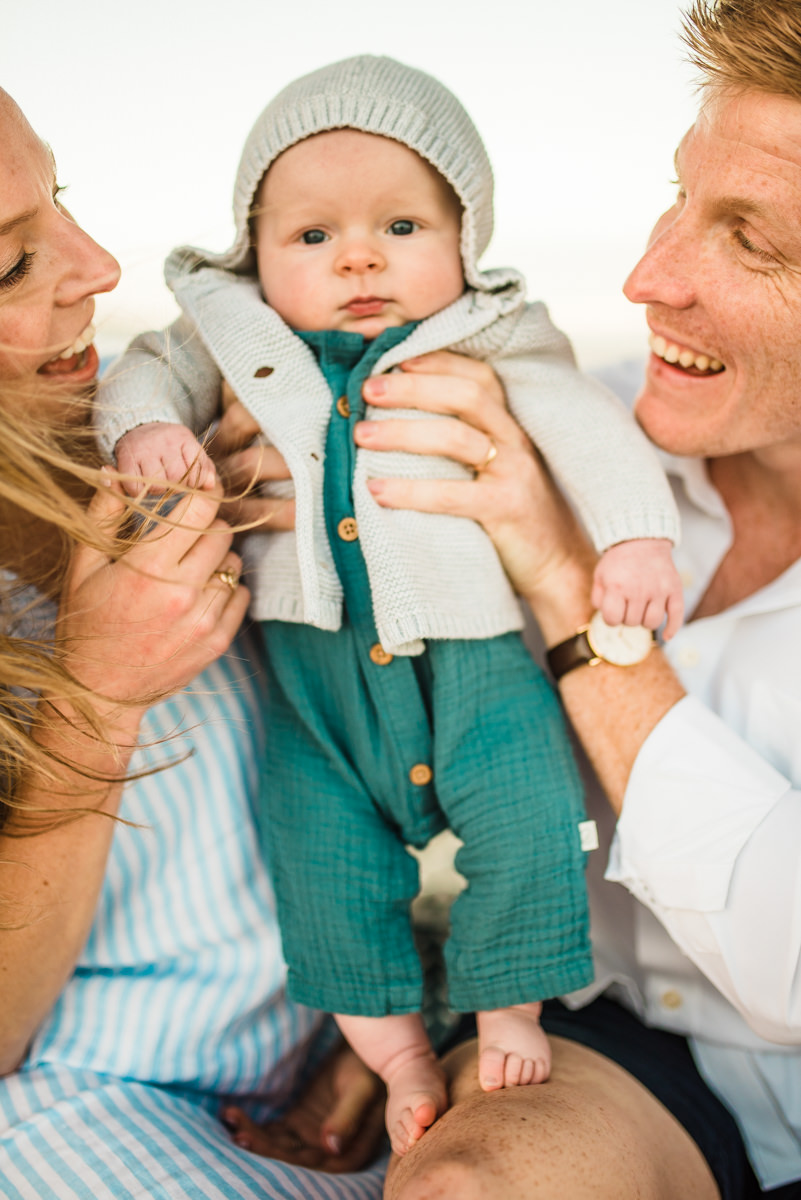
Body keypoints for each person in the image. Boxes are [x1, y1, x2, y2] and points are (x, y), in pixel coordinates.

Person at [95, 56, 683, 1154]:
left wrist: (635, 533)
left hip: (475, 663)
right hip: (315, 684)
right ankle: (395, 1046)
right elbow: (141, 373)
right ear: (254, 251)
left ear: (466, 237)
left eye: (403, 226)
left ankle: (507, 998)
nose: (358, 255)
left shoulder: (494, 332)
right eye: (311, 237)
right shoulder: (223, 332)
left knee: (527, 814)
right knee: (320, 856)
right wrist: (145, 433)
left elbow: (587, 427)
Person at [320, 1, 799, 1196]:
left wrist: (563, 578)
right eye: (679, 195)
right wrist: (398, 1006)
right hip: (618, 1045)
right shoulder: (568, 429)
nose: (650, 279)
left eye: (755, 240)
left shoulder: (552, 506)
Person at [0, 86, 394, 1199]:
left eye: (60, 203)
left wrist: (392, 1009)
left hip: (340, 1059)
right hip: (80, 1115)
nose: (101, 266)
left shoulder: (152, 424)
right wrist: (99, 691)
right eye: (10, 266)